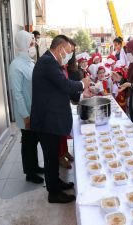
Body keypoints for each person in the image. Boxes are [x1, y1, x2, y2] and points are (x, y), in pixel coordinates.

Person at [30, 35, 91, 203]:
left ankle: (56, 182)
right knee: (50, 158)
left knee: (52, 156)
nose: (69, 55)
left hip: (51, 119)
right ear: (59, 49)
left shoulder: (51, 61)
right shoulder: (48, 62)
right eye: (69, 52)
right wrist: (82, 84)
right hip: (47, 121)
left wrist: (81, 94)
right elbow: (64, 85)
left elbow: (59, 88)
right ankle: (53, 193)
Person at [9, 30, 44, 184]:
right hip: (27, 113)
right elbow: (17, 94)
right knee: (28, 142)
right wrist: (25, 116)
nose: (34, 45)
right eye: (31, 43)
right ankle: (29, 172)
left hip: (35, 109)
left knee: (34, 140)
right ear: (23, 44)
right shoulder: (16, 66)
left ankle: (35, 166)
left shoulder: (29, 62)